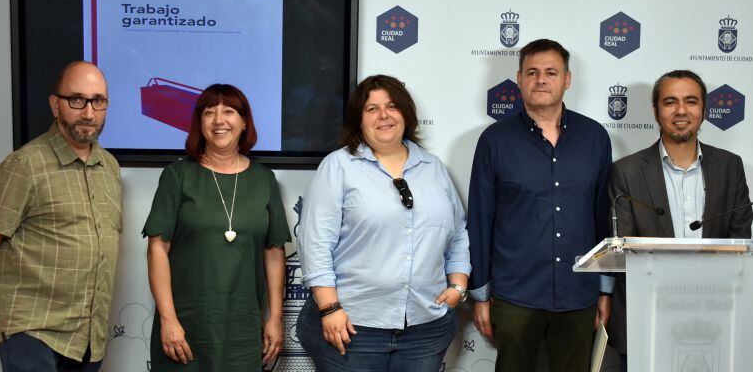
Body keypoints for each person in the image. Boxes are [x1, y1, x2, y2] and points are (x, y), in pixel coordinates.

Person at [296, 75, 471, 371]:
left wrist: (459, 285)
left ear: (406, 113)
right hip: (352, 327)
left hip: (425, 329)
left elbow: (458, 235)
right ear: (358, 119)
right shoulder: (338, 166)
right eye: (371, 109)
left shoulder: (434, 168)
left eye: (391, 106)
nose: (384, 116)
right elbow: (315, 244)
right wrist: (329, 308)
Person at [467, 39, 612, 372]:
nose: (541, 80)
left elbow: (604, 219)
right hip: (515, 295)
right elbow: (480, 219)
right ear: (519, 79)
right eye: (532, 72)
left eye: (551, 72)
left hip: (579, 294)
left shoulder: (594, 137)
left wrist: (605, 289)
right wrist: (479, 295)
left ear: (567, 79)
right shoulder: (495, 140)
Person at [607, 70, 753, 371]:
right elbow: (625, 251)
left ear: (704, 110)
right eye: (670, 102)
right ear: (656, 111)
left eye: (691, 101)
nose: (681, 111)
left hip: (715, 317)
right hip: (646, 317)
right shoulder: (626, 171)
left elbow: (740, 244)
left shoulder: (730, 166)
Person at [0, 61, 121, 371]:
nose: (88, 113)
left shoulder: (109, 167)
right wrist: (2, 310)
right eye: (77, 100)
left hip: (86, 335)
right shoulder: (24, 165)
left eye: (98, 101)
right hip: (31, 328)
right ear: (55, 105)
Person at [143, 84, 290, 371]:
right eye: (209, 112)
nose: (219, 120)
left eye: (229, 111)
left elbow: (274, 253)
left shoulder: (264, 180)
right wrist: (168, 320)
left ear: (244, 121)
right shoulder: (177, 176)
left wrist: (275, 318)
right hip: (185, 330)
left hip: (243, 333)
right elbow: (157, 249)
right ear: (200, 122)